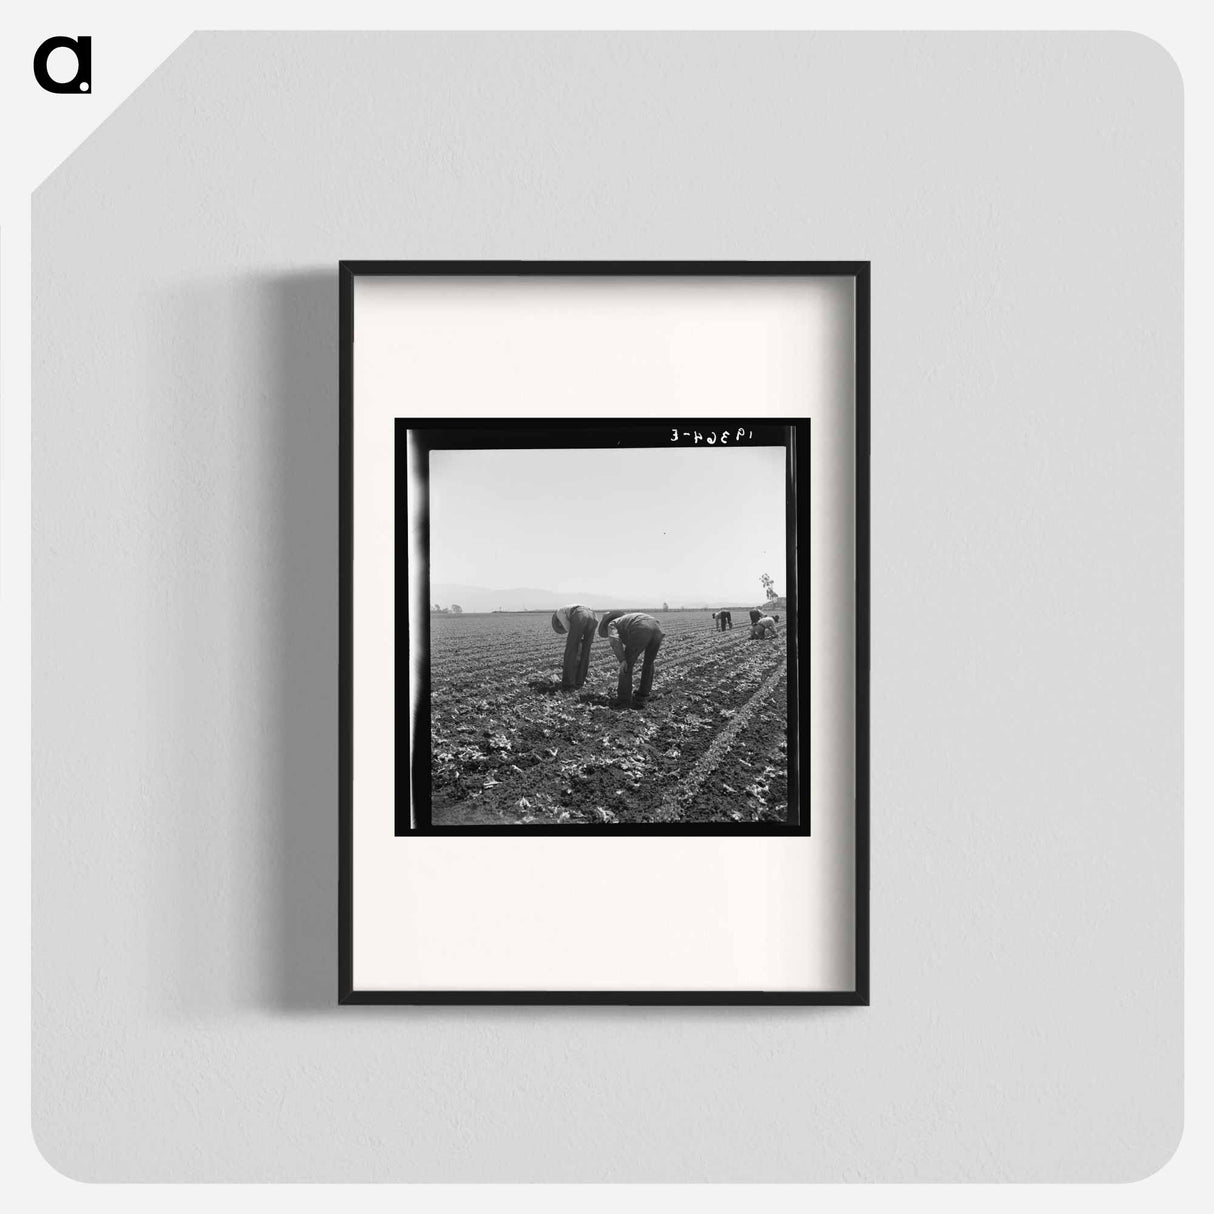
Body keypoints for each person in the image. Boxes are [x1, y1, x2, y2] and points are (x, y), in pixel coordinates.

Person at [597, 610, 664, 707]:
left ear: (606, 622)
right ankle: (644, 693)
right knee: (649, 662)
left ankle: (624, 699)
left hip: (641, 628)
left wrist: (622, 659)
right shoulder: (626, 619)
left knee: (627, 665)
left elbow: (615, 640)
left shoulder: (612, 624)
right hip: (657, 628)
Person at [551, 604, 598, 690]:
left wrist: (577, 642)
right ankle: (580, 681)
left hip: (580, 615)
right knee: (586, 650)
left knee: (571, 650)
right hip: (593, 616)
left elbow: (571, 631)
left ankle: (568, 683)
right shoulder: (567, 608)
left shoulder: (559, 613)